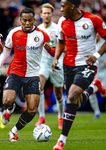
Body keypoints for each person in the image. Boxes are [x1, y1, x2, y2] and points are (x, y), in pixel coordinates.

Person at [0, 7, 56, 141]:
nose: (27, 23)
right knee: (7, 100)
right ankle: (10, 109)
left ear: (34, 20)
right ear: (20, 20)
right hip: (15, 72)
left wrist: (51, 50)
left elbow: (53, 52)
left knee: (32, 110)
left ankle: (14, 131)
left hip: (32, 75)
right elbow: (6, 51)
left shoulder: (42, 34)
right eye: (24, 20)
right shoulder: (13, 33)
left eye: (30, 20)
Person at [52, 0, 106, 149]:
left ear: (72, 6)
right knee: (73, 102)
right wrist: (56, 58)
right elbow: (61, 42)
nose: (60, 9)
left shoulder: (93, 20)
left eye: (63, 6)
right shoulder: (62, 21)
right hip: (68, 65)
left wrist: (96, 55)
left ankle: (61, 140)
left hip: (87, 64)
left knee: (71, 95)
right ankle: (94, 87)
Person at [34, 3, 65, 129]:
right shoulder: (38, 30)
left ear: (52, 14)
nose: (46, 15)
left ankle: (61, 117)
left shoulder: (58, 29)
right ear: (41, 15)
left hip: (57, 63)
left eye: (48, 13)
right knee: (39, 85)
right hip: (44, 64)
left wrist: (55, 55)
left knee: (58, 93)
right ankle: (42, 116)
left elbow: (65, 46)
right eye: (44, 13)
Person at [89, 33, 106, 119]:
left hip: (104, 73)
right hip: (94, 73)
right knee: (91, 92)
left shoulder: (104, 43)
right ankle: (97, 113)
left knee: (104, 94)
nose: (97, 35)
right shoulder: (89, 44)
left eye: (98, 34)